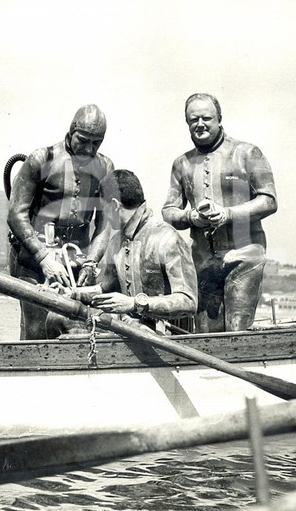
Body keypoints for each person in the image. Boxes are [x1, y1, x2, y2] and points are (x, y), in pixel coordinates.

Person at [162, 93, 277, 332]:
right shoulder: (181, 164)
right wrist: (190, 217)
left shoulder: (247, 153)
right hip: (203, 262)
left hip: (244, 257)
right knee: (206, 336)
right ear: (187, 123)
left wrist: (228, 214)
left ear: (219, 119)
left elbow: (268, 200)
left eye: (206, 118)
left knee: (237, 332)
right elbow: (168, 211)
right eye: (194, 119)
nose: (200, 124)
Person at [7, 104, 116, 339]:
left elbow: (106, 223)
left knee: (79, 330)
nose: (88, 149)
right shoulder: (40, 159)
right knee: (35, 331)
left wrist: (90, 262)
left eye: (96, 143)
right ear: (70, 133)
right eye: (83, 140)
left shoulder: (105, 167)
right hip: (35, 263)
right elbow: (16, 214)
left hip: (78, 265)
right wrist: (43, 257)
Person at [61, 169, 197, 335]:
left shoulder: (167, 238)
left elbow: (188, 301)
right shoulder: (116, 242)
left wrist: (135, 304)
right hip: (128, 328)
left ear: (115, 206)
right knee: (58, 318)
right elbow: (105, 289)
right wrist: (73, 293)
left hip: (165, 337)